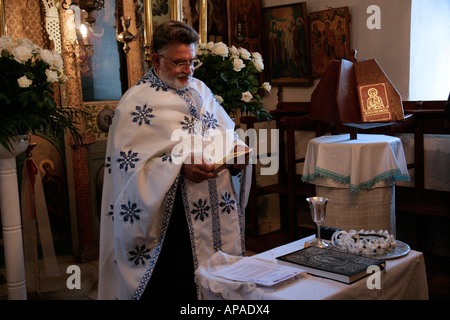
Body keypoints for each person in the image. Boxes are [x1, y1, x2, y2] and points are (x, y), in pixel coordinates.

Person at [97, 20, 251, 300]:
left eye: (193, 62)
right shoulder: (135, 103)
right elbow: (129, 171)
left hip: (212, 207)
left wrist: (237, 153)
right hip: (171, 225)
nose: (188, 70)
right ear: (156, 59)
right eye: (180, 63)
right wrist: (178, 167)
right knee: (176, 287)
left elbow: (225, 132)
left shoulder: (201, 90)